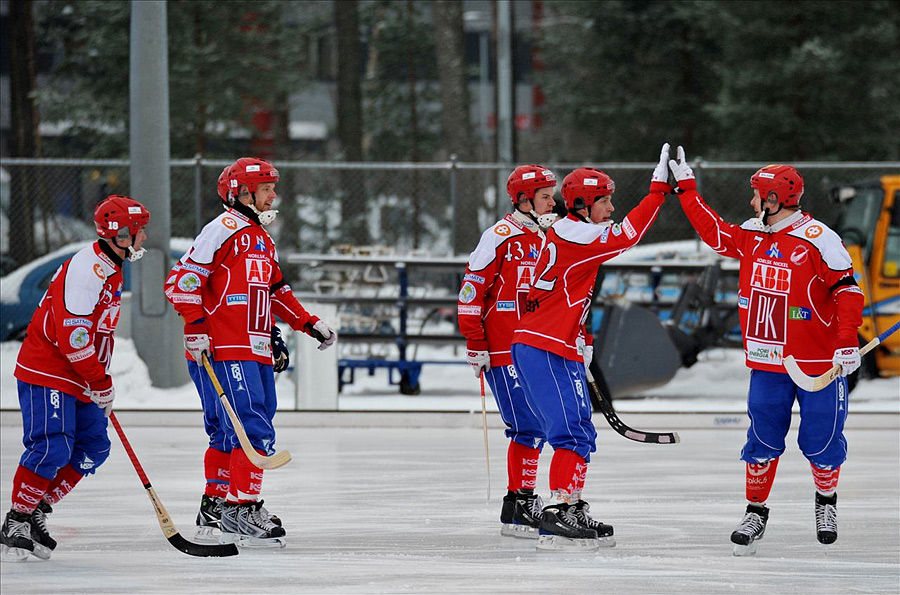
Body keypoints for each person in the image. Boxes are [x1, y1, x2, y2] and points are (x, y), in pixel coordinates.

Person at [668, 147, 864, 555]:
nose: (751, 201)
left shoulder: (819, 239)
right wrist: (686, 188)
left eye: (756, 195)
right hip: (768, 360)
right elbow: (714, 231)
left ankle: (825, 503)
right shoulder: (752, 235)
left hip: (817, 363)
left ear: (774, 200)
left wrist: (847, 340)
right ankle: (755, 512)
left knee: (822, 439)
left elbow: (848, 291)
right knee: (762, 437)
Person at [164, 157, 337, 548]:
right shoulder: (224, 229)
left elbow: (274, 292)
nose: (274, 195)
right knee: (248, 426)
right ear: (241, 192)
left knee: (230, 431)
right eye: (266, 189)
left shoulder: (261, 237)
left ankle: (216, 504)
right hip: (226, 348)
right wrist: (196, 327)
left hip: (252, 347)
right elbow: (181, 282)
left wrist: (306, 324)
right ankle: (243, 508)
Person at [510, 144, 673, 552]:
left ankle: (572, 503)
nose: (612, 208)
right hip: (542, 346)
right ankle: (558, 512)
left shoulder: (571, 231)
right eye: (605, 201)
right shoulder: (579, 233)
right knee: (569, 431)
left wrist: (583, 341)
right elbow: (629, 234)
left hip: (554, 344)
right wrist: (657, 191)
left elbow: (570, 296)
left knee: (580, 429)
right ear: (583, 204)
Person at [1, 195, 151, 562]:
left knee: (94, 448)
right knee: (52, 446)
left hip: (80, 374)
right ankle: (16, 519)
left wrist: (98, 377)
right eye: (138, 231)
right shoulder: (88, 269)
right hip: (49, 369)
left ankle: (38, 507)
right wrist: (99, 381)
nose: (143, 237)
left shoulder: (112, 267)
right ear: (119, 234)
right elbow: (74, 336)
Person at [457, 164, 561, 539]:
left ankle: (519, 502)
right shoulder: (499, 236)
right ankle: (519, 503)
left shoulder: (548, 237)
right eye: (546, 196)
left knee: (540, 426)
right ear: (523, 199)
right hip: (503, 351)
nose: (554, 201)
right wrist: (475, 342)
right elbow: (471, 291)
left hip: (536, 348)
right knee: (528, 425)